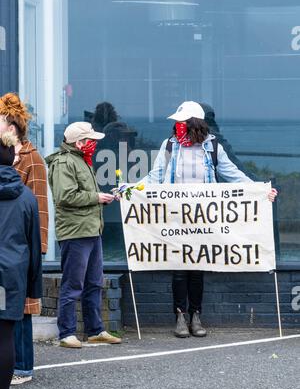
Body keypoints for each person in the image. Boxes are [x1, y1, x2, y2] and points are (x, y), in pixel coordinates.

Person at [143, 101, 278, 338]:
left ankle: (196, 315)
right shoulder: (169, 146)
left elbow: (232, 174)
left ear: (194, 124)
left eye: (182, 122)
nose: (178, 126)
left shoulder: (213, 147)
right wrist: (131, 191)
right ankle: (180, 316)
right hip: (175, 217)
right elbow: (155, 177)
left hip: (203, 218)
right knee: (178, 268)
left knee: (197, 268)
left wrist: (259, 191)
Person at [46, 122, 121, 348]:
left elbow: (80, 195)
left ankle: (95, 330)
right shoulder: (64, 163)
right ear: (79, 143)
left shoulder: (80, 160)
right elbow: (65, 196)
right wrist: (97, 198)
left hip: (90, 229)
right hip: (76, 231)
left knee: (93, 282)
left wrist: (101, 198)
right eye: (91, 141)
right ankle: (66, 333)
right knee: (73, 284)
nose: (94, 144)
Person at [0, 92, 48, 385]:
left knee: (21, 316)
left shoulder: (33, 159)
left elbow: (39, 208)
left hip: (20, 251)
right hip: (13, 254)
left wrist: (38, 252)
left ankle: (24, 367)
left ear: (12, 127)